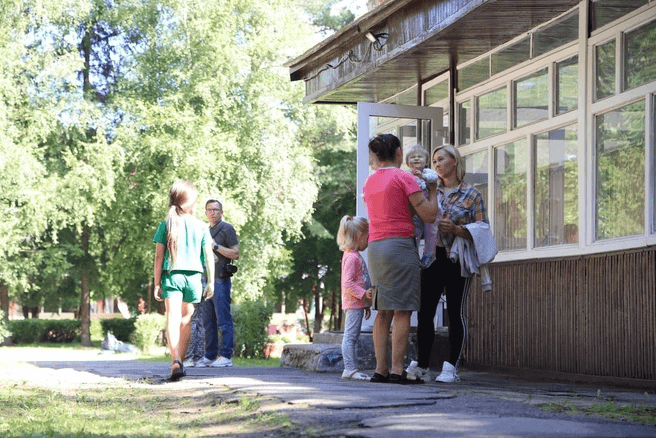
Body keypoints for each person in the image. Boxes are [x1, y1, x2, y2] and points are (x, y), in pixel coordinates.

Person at [406, 144, 489, 383]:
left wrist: (457, 229)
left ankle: (451, 366)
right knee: (425, 313)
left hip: (457, 259)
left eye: (441, 159)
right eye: (434, 161)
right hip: (432, 257)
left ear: (455, 161)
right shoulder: (430, 189)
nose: (437, 164)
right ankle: (422, 364)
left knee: (455, 312)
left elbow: (483, 229)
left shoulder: (472, 194)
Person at [363, 133, 438, 384]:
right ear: (398, 153)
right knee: (403, 310)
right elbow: (428, 215)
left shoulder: (369, 182)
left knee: (382, 310)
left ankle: (380, 370)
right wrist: (434, 190)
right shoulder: (404, 177)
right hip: (400, 245)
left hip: (375, 247)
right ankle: (397, 370)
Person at [153, 180, 214, 381]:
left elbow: (158, 257)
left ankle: (176, 360)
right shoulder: (202, 226)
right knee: (185, 320)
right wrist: (211, 281)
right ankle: (181, 362)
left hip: (172, 276)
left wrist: (156, 283)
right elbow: (207, 256)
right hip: (194, 278)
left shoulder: (166, 224)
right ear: (188, 203)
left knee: (172, 317)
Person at [197, 199, 240, 368]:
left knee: (224, 319)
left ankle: (226, 356)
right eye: (209, 210)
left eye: (216, 210)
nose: (212, 212)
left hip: (221, 279)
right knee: (208, 320)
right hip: (205, 279)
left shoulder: (227, 229)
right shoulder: (205, 230)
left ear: (221, 212)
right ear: (206, 212)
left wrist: (215, 246)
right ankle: (210, 356)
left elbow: (235, 254)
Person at [337, 215, 374, 381]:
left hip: (357, 303)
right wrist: (363, 295)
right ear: (359, 236)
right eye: (368, 236)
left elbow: (359, 281)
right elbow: (348, 284)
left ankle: (350, 368)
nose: (369, 240)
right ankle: (350, 369)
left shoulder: (354, 255)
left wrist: (365, 303)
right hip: (353, 303)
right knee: (350, 337)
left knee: (353, 336)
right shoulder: (352, 258)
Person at [405, 144, 440, 268]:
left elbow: (434, 177)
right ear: (408, 162)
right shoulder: (406, 175)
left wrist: (423, 177)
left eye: (420, 156)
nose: (416, 159)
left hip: (430, 207)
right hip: (415, 209)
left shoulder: (427, 172)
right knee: (415, 231)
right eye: (412, 157)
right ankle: (413, 255)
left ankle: (429, 254)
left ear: (426, 161)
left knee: (431, 230)